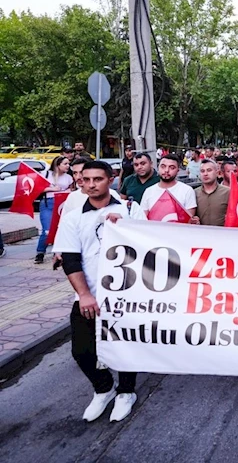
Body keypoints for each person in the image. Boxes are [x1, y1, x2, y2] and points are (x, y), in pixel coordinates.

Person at [53, 160, 147, 422]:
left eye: (98, 179)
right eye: (86, 180)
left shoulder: (130, 209)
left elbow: (149, 248)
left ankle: (126, 391)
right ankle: (104, 388)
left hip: (127, 295)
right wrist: (84, 294)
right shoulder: (73, 218)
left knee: (125, 346)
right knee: (82, 351)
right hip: (90, 295)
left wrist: (126, 228)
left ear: (111, 179)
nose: (91, 185)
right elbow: (70, 259)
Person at [34, 156, 74, 263]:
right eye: (65, 164)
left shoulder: (68, 177)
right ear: (57, 165)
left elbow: (72, 189)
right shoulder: (46, 174)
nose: (68, 166)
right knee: (47, 230)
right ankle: (40, 252)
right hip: (48, 203)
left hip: (62, 204)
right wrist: (52, 189)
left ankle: (57, 252)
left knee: (59, 228)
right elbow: (37, 188)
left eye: (68, 164)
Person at [191, 159, 229, 226]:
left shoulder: (228, 192)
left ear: (217, 173)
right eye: (202, 171)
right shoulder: (194, 193)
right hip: (200, 231)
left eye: (209, 170)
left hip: (223, 231)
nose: (205, 174)